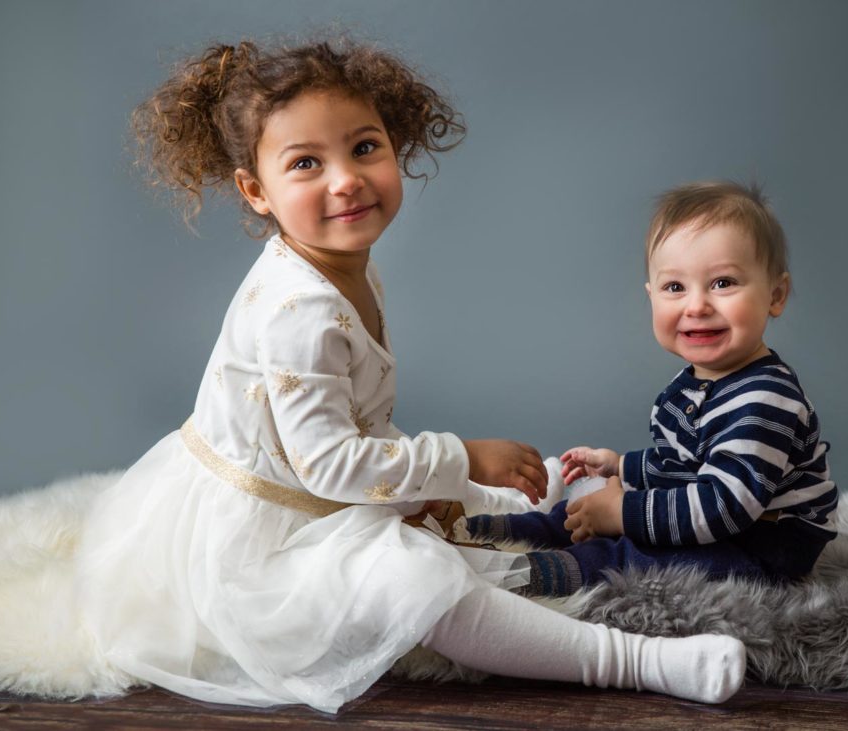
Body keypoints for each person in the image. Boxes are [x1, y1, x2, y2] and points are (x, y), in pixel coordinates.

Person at [72, 38, 746, 714]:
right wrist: (463, 457)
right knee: (416, 580)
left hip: (315, 486)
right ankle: (630, 658)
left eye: (364, 148)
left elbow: (353, 424)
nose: (346, 179)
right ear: (257, 191)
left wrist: (445, 480)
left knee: (460, 510)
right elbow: (333, 465)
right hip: (267, 538)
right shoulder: (297, 313)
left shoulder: (342, 262)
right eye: (306, 163)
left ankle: (540, 507)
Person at [463, 182, 839, 596]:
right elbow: (679, 463)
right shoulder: (690, 384)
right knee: (581, 509)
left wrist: (624, 513)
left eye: (723, 283)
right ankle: (486, 530)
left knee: (630, 557)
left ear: (776, 294)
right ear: (652, 296)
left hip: (763, 545)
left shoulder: (764, 399)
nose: (696, 305)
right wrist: (620, 466)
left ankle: (541, 572)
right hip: (715, 515)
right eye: (675, 287)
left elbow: (725, 507)